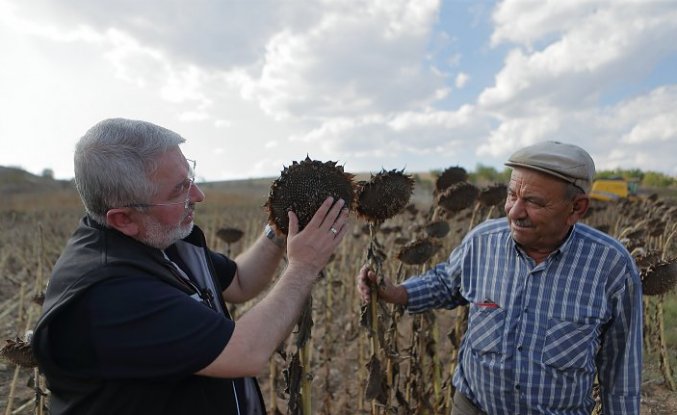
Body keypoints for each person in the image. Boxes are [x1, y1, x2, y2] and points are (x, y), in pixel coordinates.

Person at [32, 118, 350, 415]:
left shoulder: (160, 240)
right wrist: (304, 266)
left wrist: (280, 226)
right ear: (123, 218)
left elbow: (239, 282)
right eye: (179, 190)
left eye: (190, 178)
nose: (198, 195)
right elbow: (245, 353)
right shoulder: (109, 293)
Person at [358, 141, 642, 414]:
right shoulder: (483, 242)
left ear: (576, 207)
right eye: (512, 195)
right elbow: (447, 282)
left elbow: (621, 371)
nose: (514, 211)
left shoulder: (611, 266)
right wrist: (395, 292)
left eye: (533, 201)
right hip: (473, 407)